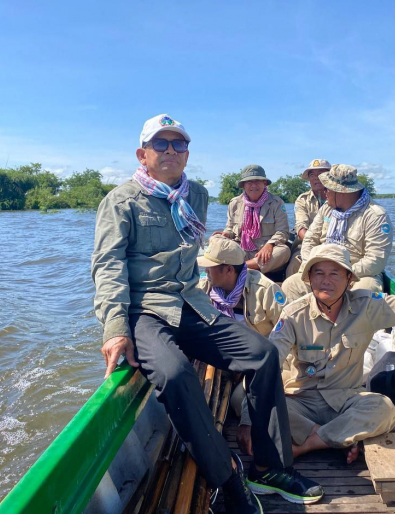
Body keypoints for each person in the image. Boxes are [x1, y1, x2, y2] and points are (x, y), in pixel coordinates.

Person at [92, 114, 323, 513]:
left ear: (187, 153)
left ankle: (268, 466)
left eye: (178, 144)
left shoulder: (196, 194)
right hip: (145, 310)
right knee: (176, 374)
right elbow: (108, 267)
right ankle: (227, 479)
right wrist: (115, 328)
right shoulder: (120, 201)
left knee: (263, 354)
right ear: (142, 154)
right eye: (160, 143)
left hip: (190, 302)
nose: (170, 150)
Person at [239, 244, 395, 464]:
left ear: (349, 279)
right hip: (301, 400)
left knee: (383, 408)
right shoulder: (294, 314)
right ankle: (338, 438)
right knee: (261, 406)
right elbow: (269, 364)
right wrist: (248, 420)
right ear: (309, 279)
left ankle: (307, 445)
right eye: (319, 273)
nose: (326, 280)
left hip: (345, 400)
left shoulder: (368, 306)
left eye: (334, 273)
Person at [197, 235, 287, 417]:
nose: (206, 271)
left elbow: (286, 334)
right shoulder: (207, 286)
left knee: (239, 402)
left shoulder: (265, 290)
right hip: (224, 356)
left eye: (210, 267)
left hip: (258, 360)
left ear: (229, 270)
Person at [282, 164, 392, 302]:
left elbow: (375, 260)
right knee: (291, 286)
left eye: (326, 189)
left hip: (357, 274)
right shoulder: (327, 208)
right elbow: (310, 239)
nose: (324, 192)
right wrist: (312, 267)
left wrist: (342, 273)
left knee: (364, 292)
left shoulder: (375, 215)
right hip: (321, 267)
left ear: (341, 192)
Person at [220, 165, 291, 274]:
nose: (253, 185)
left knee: (284, 251)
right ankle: (243, 266)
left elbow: (283, 232)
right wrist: (225, 234)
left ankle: (240, 267)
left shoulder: (276, 203)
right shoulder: (235, 203)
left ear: (264, 183)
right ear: (243, 185)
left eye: (257, 181)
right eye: (249, 182)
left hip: (265, 252)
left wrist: (269, 245)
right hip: (241, 249)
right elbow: (230, 228)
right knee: (215, 240)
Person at [285, 159, 331, 278]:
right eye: (312, 175)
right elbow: (301, 227)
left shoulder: (340, 197)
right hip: (306, 244)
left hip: (333, 244)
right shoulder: (302, 200)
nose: (316, 178)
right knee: (295, 265)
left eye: (321, 173)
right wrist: (316, 247)